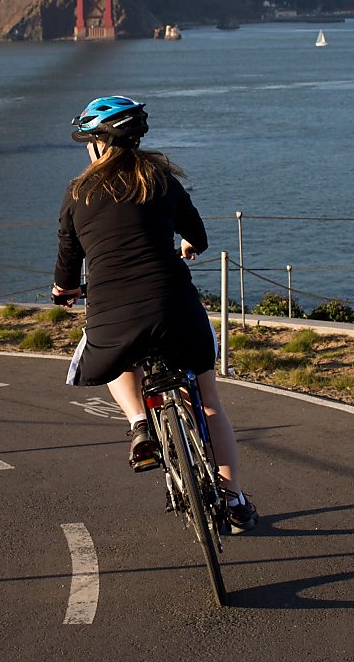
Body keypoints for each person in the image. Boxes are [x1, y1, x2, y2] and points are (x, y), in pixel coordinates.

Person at [51, 94, 257, 534]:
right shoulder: (160, 179)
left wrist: (64, 290)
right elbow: (196, 233)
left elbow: (67, 265)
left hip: (113, 312)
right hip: (173, 305)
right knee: (208, 402)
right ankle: (234, 499)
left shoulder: (78, 193)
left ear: (98, 144)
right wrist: (188, 247)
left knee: (111, 347)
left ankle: (139, 423)